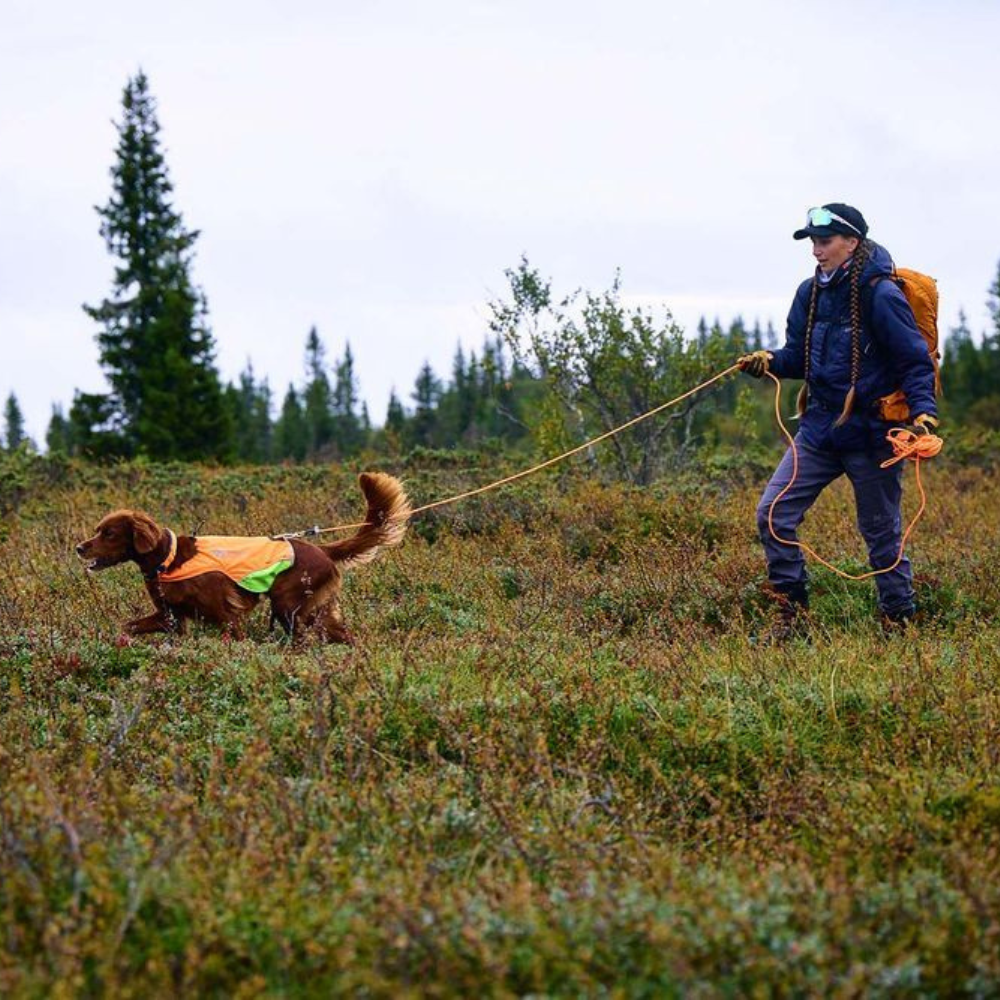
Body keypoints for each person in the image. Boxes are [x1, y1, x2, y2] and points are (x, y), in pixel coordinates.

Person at [737, 203, 939, 635]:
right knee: (772, 513)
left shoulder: (881, 294)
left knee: (882, 535)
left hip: (874, 435)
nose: (816, 250)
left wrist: (923, 417)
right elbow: (799, 357)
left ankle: (899, 621)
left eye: (824, 241)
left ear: (852, 243)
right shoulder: (808, 295)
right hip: (819, 432)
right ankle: (792, 616)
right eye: (812, 241)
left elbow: (914, 361)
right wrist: (768, 361)